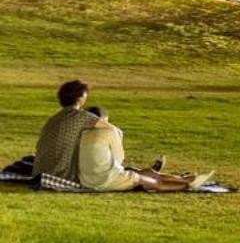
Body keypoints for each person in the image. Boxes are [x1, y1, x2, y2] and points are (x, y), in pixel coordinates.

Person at [33, 81, 208, 192]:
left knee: (131, 170)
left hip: (42, 169)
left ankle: (181, 178)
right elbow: (112, 130)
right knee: (131, 172)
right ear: (80, 99)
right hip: (64, 173)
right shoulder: (79, 116)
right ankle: (184, 182)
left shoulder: (54, 119)